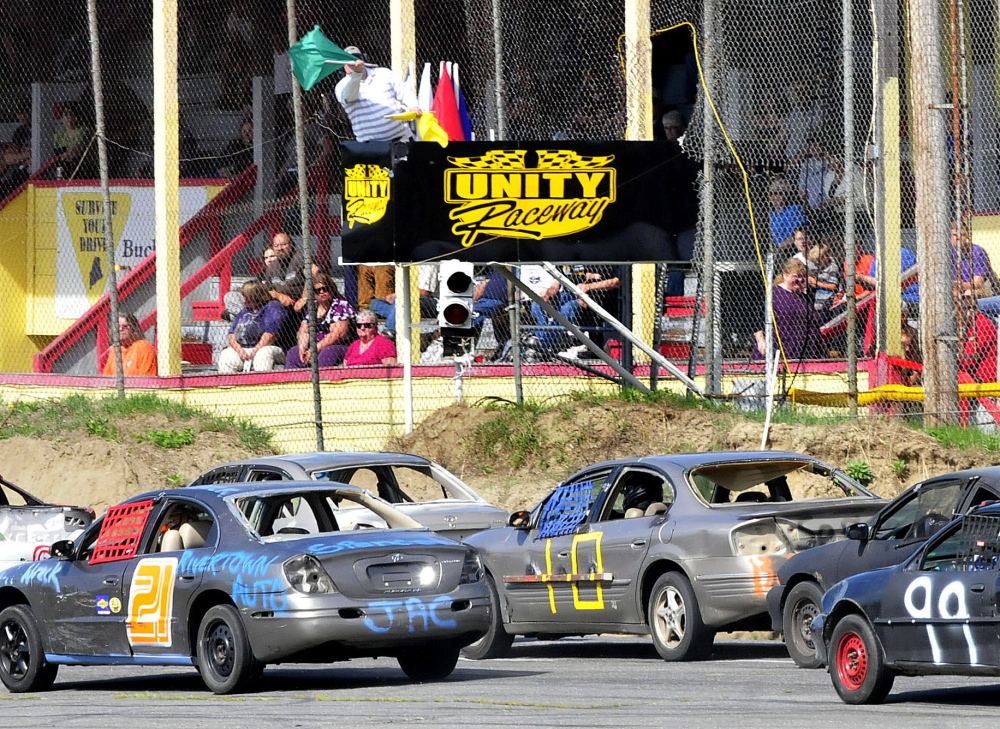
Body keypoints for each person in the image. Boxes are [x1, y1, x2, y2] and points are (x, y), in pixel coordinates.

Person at [334, 45, 420, 143]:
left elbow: (404, 91)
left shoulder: (384, 73)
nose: (353, 62)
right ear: (343, 65)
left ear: (363, 59)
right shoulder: (341, 86)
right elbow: (349, 97)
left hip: (401, 139)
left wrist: (414, 105)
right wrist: (356, 74)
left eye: (356, 58)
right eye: (348, 60)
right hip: (370, 146)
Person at [754, 258, 824, 360]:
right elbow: (757, 319)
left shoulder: (804, 297)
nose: (800, 279)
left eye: (803, 276)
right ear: (785, 275)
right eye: (796, 276)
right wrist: (760, 340)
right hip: (782, 351)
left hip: (807, 352)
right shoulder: (773, 294)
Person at [285, 273, 356, 369]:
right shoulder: (313, 306)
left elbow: (337, 335)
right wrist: (302, 349)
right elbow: (304, 331)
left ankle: (322, 378)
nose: (322, 292)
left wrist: (315, 349)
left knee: (328, 353)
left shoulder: (341, 305)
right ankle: (296, 378)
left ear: (331, 289)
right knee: (293, 353)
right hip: (315, 346)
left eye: (325, 289)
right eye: (318, 290)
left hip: (339, 346)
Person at [218, 280, 287, 374]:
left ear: (256, 296)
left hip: (269, 347)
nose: (244, 299)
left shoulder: (272, 306)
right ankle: (228, 382)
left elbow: (271, 335)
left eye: (246, 296)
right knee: (226, 355)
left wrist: (255, 350)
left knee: (263, 353)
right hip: (244, 349)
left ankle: (262, 382)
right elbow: (231, 334)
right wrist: (239, 350)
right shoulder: (245, 310)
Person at [368, 264, 438, 337]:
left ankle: (390, 331)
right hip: (405, 299)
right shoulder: (406, 263)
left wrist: (398, 295)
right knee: (375, 304)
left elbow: (425, 292)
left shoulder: (428, 264)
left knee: (401, 302)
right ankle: (398, 311)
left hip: (428, 302)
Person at [53, 102, 93, 178]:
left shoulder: (84, 130)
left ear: (77, 116)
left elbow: (75, 150)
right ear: (62, 118)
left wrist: (62, 154)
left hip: (81, 166)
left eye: (71, 114)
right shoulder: (59, 134)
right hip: (62, 164)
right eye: (66, 114)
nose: (69, 117)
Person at [768, 177, 807, 250]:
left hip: (790, 249)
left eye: (780, 193)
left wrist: (779, 247)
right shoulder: (772, 215)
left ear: (786, 195)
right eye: (771, 193)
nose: (775, 196)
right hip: (775, 249)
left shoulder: (794, 210)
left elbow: (797, 235)